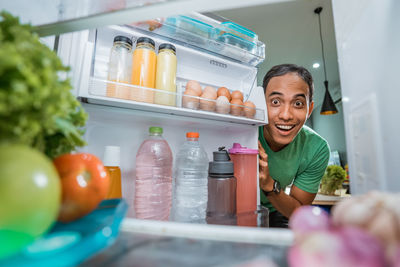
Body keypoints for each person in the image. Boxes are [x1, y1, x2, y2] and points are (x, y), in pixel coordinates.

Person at [258, 64, 330, 228]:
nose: (285, 115)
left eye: (298, 104)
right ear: (262, 104)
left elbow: (298, 211)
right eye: (276, 102)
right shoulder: (244, 129)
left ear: (309, 109)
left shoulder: (316, 148)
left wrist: (269, 184)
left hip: (276, 210)